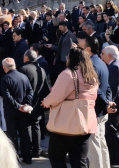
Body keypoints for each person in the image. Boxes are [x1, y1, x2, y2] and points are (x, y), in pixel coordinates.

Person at [42, 48, 101, 168]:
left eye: (68, 57)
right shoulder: (92, 77)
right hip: (86, 123)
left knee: (56, 157)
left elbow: (55, 97)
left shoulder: (68, 74)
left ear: (72, 59)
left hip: (66, 123)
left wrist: (46, 102)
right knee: (79, 161)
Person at [77, 34, 112, 168]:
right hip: (101, 111)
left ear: (88, 50)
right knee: (101, 143)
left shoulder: (90, 65)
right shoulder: (101, 63)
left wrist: (106, 102)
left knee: (94, 146)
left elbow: (96, 88)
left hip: (94, 111)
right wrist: (108, 101)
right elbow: (107, 87)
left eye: (82, 46)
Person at [0, 58, 33, 164]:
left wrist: (18, 106)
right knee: (24, 134)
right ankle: (27, 157)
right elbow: (30, 91)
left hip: (11, 112)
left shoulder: (5, 79)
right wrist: (25, 105)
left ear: (4, 68)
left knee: (12, 135)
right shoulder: (24, 77)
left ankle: (14, 159)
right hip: (23, 111)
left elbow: (7, 96)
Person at [19, 50, 50, 158]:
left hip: (26, 103)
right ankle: (37, 150)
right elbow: (46, 87)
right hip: (38, 103)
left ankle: (27, 150)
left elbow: (21, 89)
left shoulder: (23, 69)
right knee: (36, 127)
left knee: (26, 127)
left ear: (27, 58)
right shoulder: (41, 70)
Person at [101, 45, 119, 165]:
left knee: (111, 130)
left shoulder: (113, 67)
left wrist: (110, 105)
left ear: (108, 55)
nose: (101, 56)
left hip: (114, 105)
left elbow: (113, 88)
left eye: (102, 54)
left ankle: (115, 158)